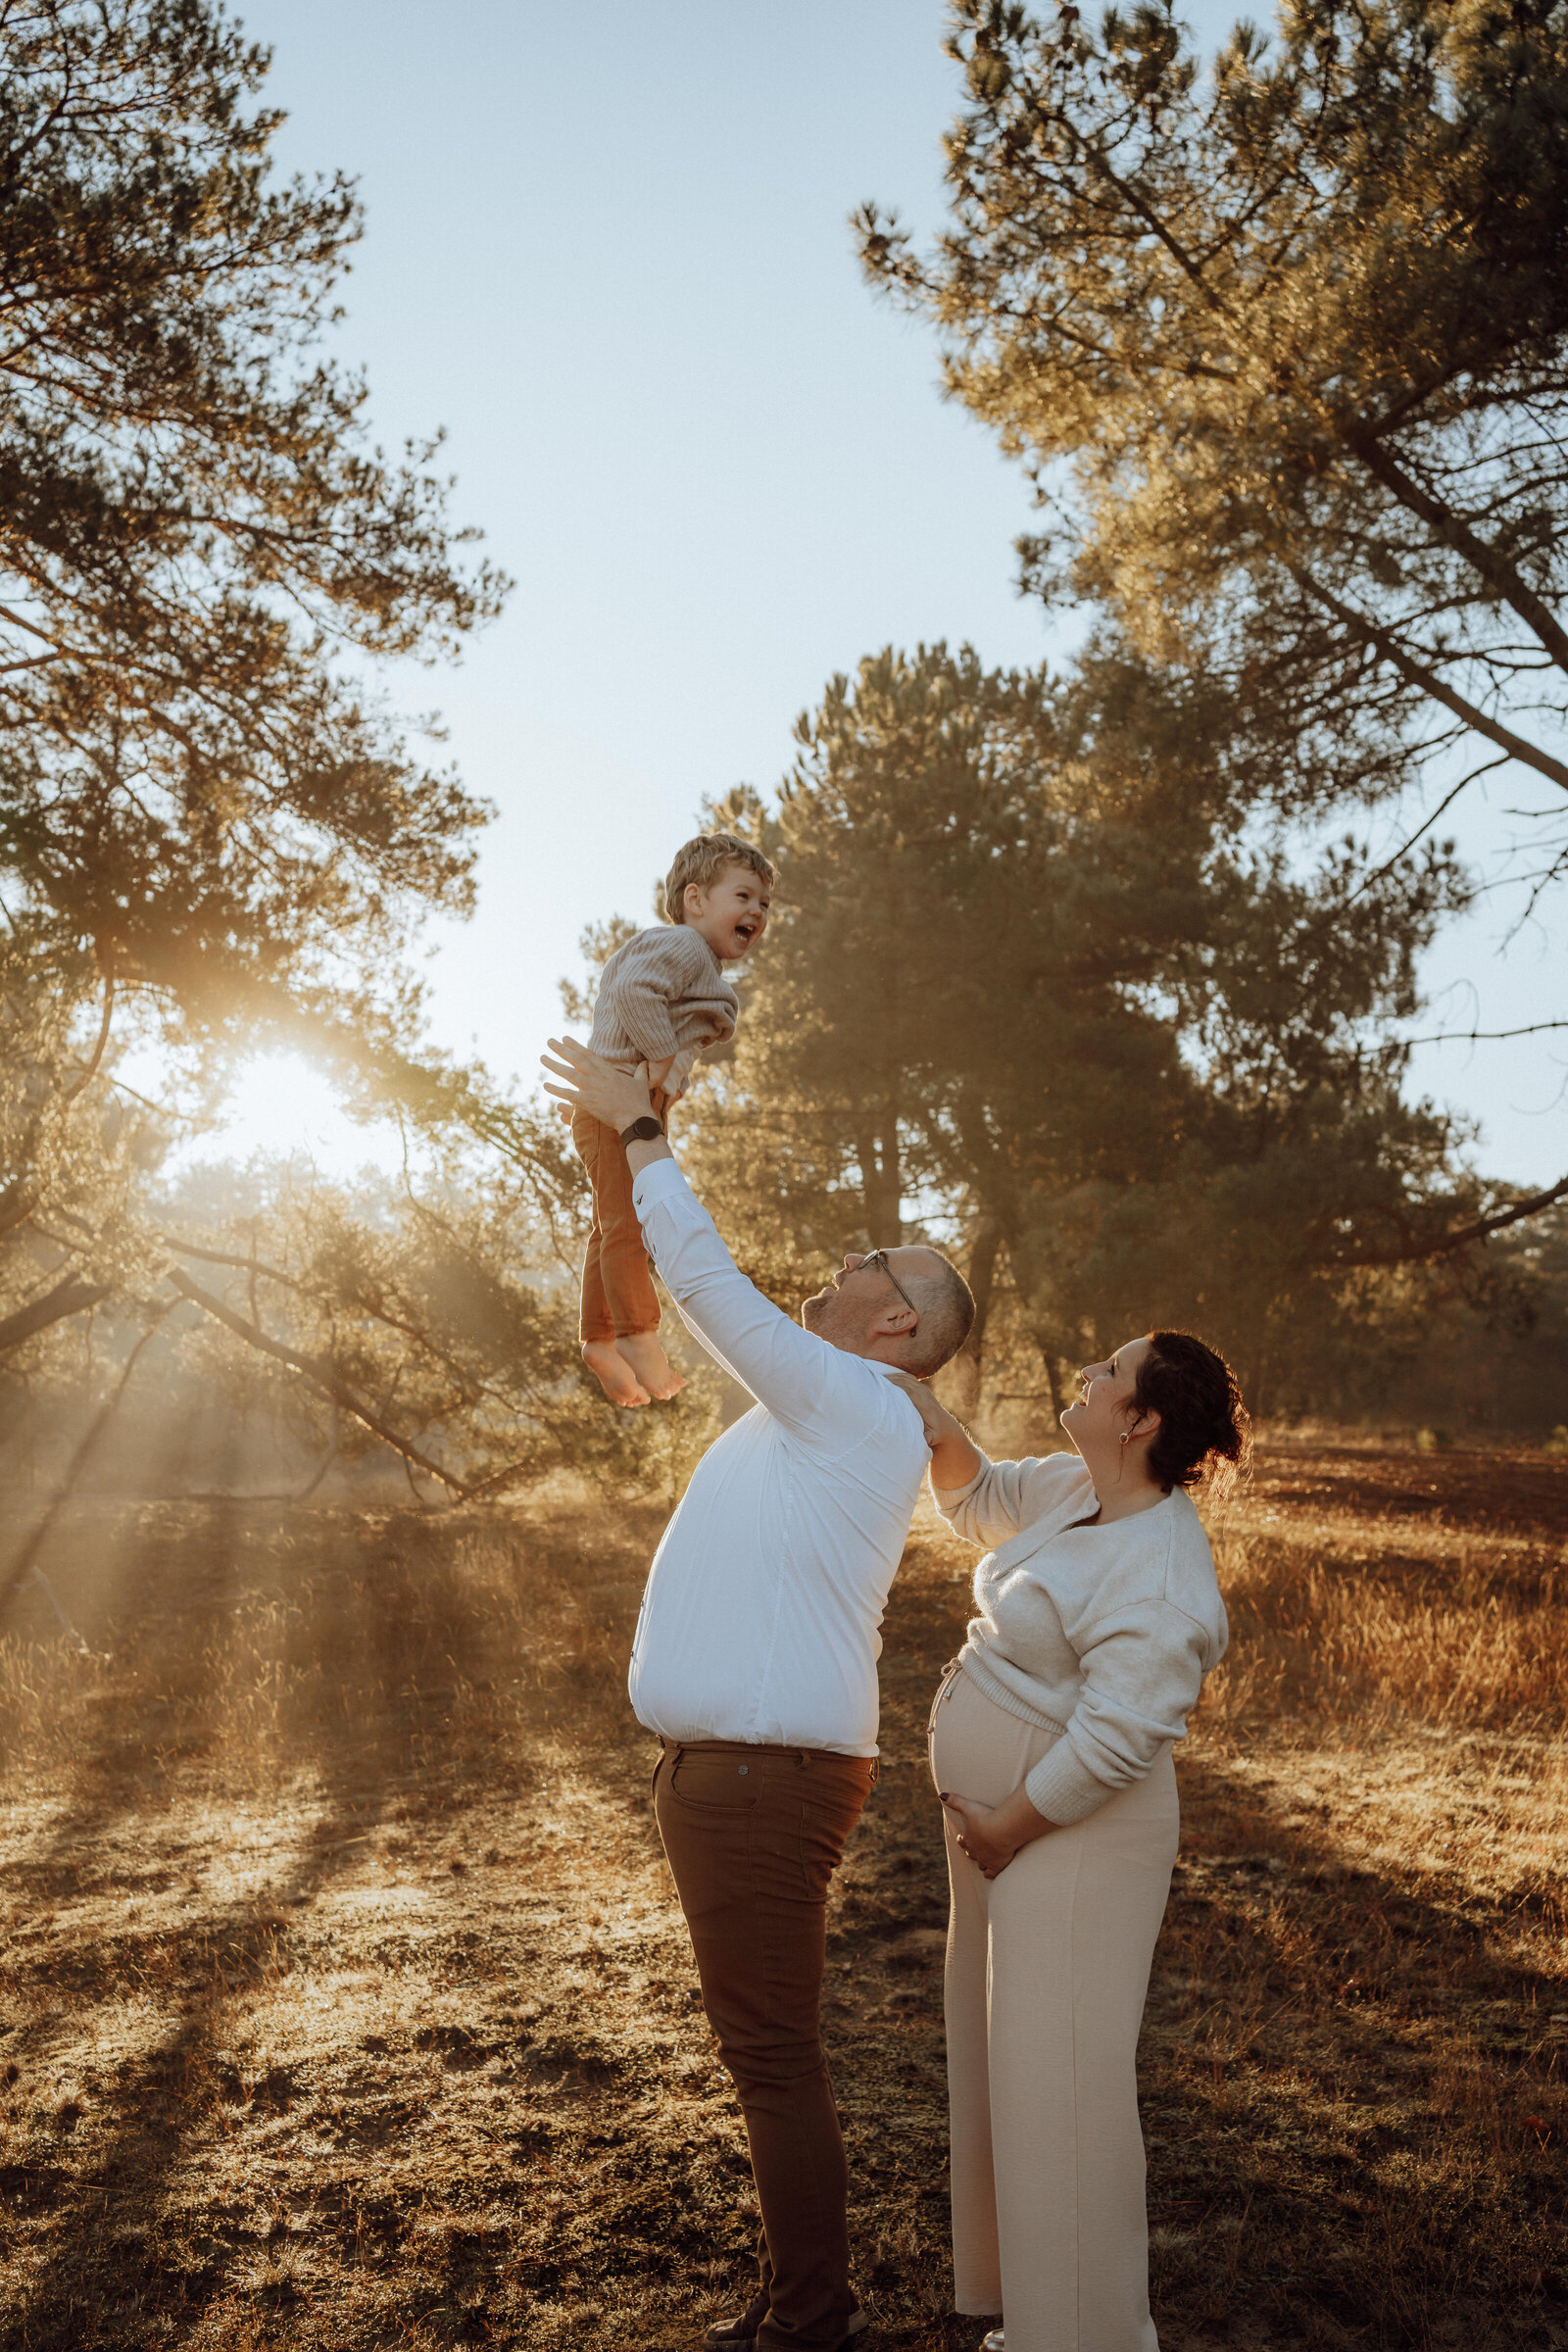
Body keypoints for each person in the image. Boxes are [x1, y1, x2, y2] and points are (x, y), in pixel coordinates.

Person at [539, 1033, 978, 2352]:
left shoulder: (849, 1396)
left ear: (893, 1322)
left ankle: (810, 2325)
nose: (848, 1261)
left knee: (774, 2056)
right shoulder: (826, 1405)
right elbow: (674, 1290)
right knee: (767, 2049)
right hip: (738, 1774)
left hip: (760, 1779)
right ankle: (802, 2307)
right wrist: (633, 1136)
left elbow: (706, 1278)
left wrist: (644, 1135)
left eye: (875, 1262)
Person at [893, 1333, 1249, 2352]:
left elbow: (1121, 1734)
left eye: (1108, 1370)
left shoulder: (1161, 1571)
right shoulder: (1070, 1488)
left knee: (1065, 2086)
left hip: (1076, 1836)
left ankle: (1087, 2336)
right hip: (1010, 1838)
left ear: (1139, 1420)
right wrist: (926, 1415)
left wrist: (1007, 1825)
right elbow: (977, 1495)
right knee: (1004, 2064)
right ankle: (1033, 2311)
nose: (1086, 1373)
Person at [574, 830, 775, 1408]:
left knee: (612, 1223)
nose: (756, 912)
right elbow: (634, 991)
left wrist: (672, 1069)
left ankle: (600, 1339)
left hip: (624, 1106)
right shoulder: (685, 946)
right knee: (630, 1226)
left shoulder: (701, 967)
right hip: (621, 1104)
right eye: (743, 896)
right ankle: (638, 1335)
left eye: (764, 904)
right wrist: (662, 1055)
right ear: (695, 900)